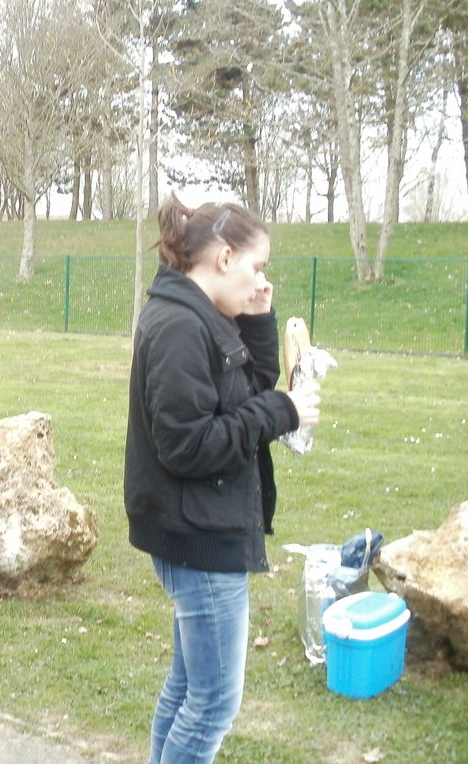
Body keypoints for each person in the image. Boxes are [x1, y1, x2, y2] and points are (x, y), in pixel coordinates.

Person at [123, 194, 321, 764]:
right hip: (200, 537)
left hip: (202, 526)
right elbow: (188, 445)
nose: (262, 279)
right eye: (257, 267)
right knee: (212, 704)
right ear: (225, 257)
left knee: (188, 689)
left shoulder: (204, 315)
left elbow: (248, 388)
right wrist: (282, 411)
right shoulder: (181, 327)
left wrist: (258, 318)